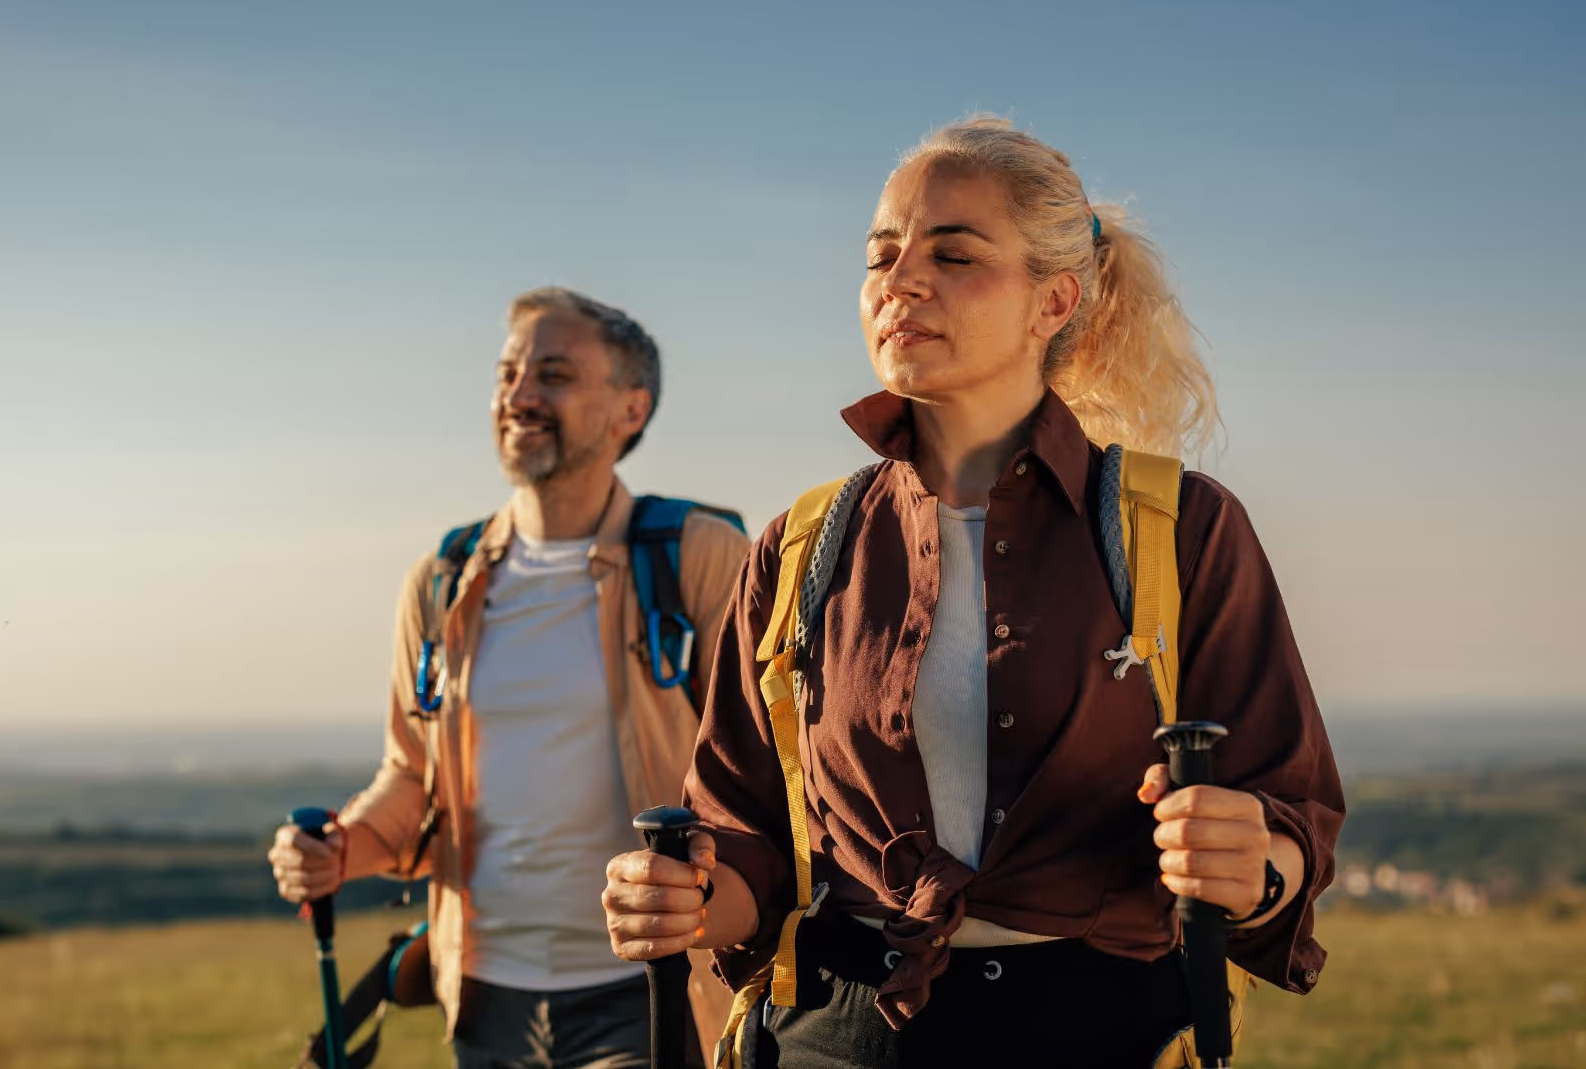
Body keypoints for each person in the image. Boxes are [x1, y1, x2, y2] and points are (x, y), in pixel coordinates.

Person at [600, 116, 1345, 1066]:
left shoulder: (1180, 529)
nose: (902, 280)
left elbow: (1288, 809)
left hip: (1104, 1037)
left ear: (1053, 300)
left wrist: (1256, 867)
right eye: (882, 255)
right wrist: (691, 897)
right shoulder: (799, 545)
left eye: (953, 254)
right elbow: (745, 834)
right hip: (834, 1035)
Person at [271, 288, 750, 1068]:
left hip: (653, 986)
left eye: (553, 375)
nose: (519, 396)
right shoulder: (442, 580)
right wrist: (342, 847)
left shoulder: (699, 557)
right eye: (507, 375)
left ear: (631, 409)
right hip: (484, 996)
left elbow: (759, 774)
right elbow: (411, 774)